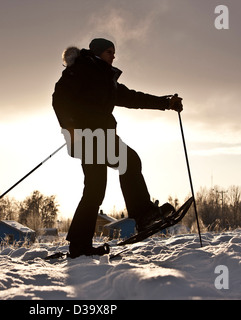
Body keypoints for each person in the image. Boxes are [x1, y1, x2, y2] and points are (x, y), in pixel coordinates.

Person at [52, 38, 183, 258]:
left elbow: (131, 97)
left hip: (101, 135)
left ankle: (79, 245)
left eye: (114, 52)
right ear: (97, 53)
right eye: (109, 52)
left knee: (96, 188)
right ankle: (142, 215)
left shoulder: (105, 77)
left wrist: (165, 103)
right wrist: (72, 129)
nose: (113, 56)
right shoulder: (82, 70)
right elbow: (59, 98)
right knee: (127, 162)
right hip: (90, 136)